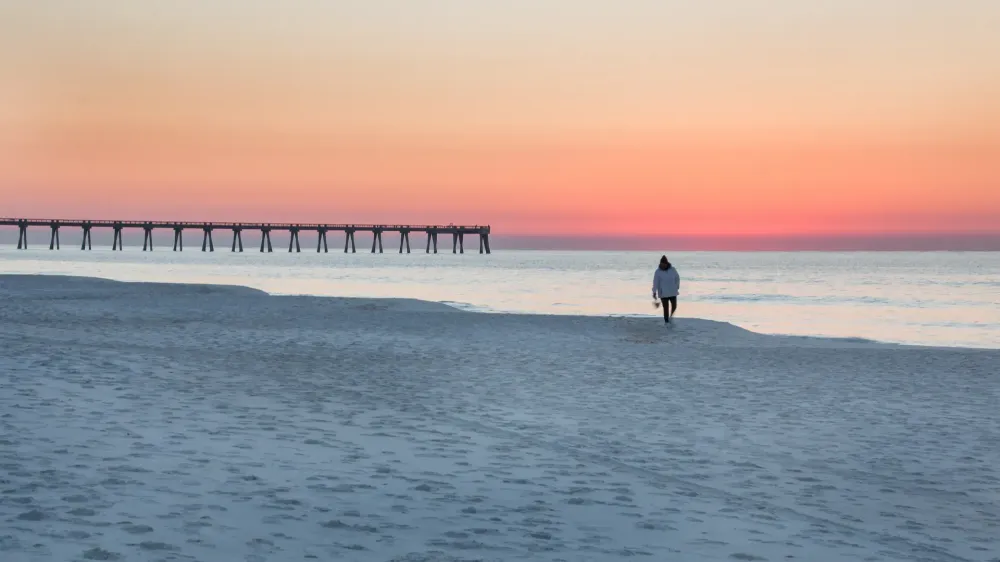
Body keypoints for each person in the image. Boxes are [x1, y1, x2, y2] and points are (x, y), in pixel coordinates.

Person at [652, 255, 680, 324]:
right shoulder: (658, 272)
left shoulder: (672, 269)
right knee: (666, 308)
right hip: (663, 293)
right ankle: (666, 321)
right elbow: (655, 282)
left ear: (666, 263)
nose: (662, 265)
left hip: (672, 291)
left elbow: (677, 278)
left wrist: (677, 286)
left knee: (674, 306)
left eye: (664, 264)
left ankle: (671, 317)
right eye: (661, 264)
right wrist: (654, 291)